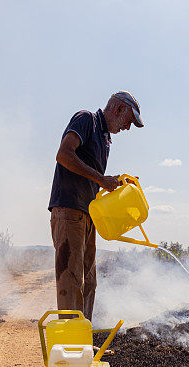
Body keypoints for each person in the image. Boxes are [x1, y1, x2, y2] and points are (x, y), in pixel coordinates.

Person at [48, 91, 143, 321]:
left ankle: (83, 341)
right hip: (69, 211)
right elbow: (63, 155)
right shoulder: (86, 120)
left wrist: (114, 183)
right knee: (71, 281)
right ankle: (71, 348)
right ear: (119, 108)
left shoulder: (105, 140)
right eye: (129, 121)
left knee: (89, 281)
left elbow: (89, 177)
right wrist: (101, 179)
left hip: (88, 215)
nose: (127, 128)